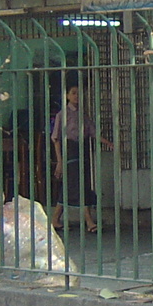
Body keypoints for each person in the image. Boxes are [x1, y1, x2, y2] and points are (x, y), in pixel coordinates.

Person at [50, 84, 112, 232]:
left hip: (82, 151)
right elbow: (56, 138)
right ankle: (89, 221)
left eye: (79, 93)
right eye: (73, 93)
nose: (76, 96)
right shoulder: (62, 115)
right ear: (67, 96)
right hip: (69, 151)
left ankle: (55, 219)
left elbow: (92, 132)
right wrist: (60, 161)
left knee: (75, 185)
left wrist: (109, 143)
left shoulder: (83, 115)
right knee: (76, 185)